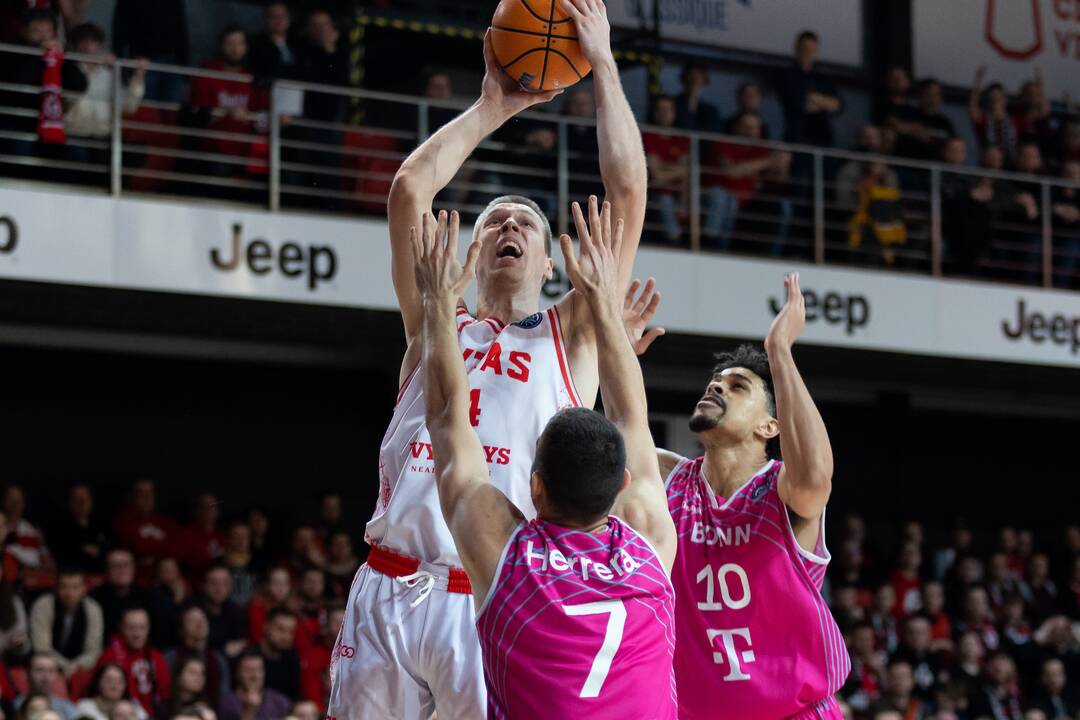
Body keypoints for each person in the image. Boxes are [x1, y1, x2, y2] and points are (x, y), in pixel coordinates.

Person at [330, 0, 648, 715]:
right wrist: (492, 105)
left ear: (547, 261)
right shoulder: (434, 322)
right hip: (388, 586)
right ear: (472, 254)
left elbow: (628, 194)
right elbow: (410, 189)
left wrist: (603, 67)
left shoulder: (573, 335)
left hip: (494, 593)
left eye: (526, 222)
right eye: (494, 218)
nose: (509, 223)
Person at [411, 199, 676, 717]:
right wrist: (604, 311)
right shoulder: (650, 546)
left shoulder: (509, 562)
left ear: (532, 488)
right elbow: (632, 421)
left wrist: (438, 306)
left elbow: (445, 420)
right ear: (623, 483)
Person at [630, 272, 851, 717]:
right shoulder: (669, 478)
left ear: (769, 427)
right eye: (716, 381)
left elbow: (815, 478)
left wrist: (780, 352)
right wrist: (613, 353)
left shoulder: (783, 490)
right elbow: (592, 442)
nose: (715, 386)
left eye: (737, 387)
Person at [64, 23, 146, 141]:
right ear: (75, 45)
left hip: (104, 136)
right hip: (74, 132)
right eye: (83, 41)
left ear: (99, 45)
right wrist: (92, 68)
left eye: (92, 41)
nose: (88, 46)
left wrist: (138, 77)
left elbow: (129, 106)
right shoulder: (69, 69)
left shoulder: (110, 72)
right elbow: (68, 100)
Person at [29, 568, 104, 676]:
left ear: (84, 588)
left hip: (80, 669)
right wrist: (65, 666)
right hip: (48, 666)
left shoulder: (93, 609)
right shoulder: (43, 605)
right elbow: (42, 646)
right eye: (64, 587)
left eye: (75, 587)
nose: (69, 593)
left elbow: (94, 650)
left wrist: (76, 666)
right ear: (56, 588)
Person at [96, 607, 170, 716]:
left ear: (149, 628)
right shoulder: (109, 657)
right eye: (131, 628)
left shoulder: (156, 657)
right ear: (121, 628)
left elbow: (164, 695)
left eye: (142, 628)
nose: (137, 634)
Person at [779, 31, 842, 150]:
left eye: (812, 49)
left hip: (823, 140)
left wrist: (815, 99)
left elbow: (838, 105)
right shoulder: (788, 75)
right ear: (797, 49)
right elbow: (800, 104)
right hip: (797, 139)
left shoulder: (823, 77)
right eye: (805, 49)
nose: (808, 53)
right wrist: (824, 102)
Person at [164, 605, 230, 712]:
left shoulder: (218, 660)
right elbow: (164, 694)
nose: (199, 624)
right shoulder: (171, 658)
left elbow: (224, 698)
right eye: (192, 620)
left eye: (203, 619)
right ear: (182, 628)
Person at [642, 95, 689, 244]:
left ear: (674, 113)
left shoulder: (682, 140)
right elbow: (657, 176)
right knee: (665, 200)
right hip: (653, 194)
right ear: (654, 113)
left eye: (667, 110)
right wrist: (679, 170)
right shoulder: (648, 136)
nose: (664, 113)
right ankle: (676, 241)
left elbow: (687, 175)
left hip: (678, 194)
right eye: (660, 110)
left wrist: (666, 168)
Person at [112, 479, 176, 586]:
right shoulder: (124, 521)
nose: (147, 497)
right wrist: (158, 552)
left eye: (150, 493)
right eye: (142, 493)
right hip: (136, 579)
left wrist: (153, 556)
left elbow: (175, 550)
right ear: (133, 496)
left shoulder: (165, 522)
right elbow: (137, 547)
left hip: (163, 576)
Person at [90, 549, 152, 639]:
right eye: (115, 565)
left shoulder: (148, 597)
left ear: (134, 568)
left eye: (126, 564)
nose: (122, 570)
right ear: (106, 570)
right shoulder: (94, 599)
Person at [49, 485, 106, 574]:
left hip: (101, 574)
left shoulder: (101, 524)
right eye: (78, 500)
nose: (82, 503)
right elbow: (64, 556)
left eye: (86, 499)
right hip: (72, 576)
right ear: (69, 502)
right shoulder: (59, 528)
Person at [219, 651, 290, 720]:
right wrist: (249, 711)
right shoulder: (227, 703)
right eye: (248, 670)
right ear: (237, 673)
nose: (254, 676)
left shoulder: (279, 701)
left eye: (259, 670)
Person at [195, 565, 246, 659]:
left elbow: (240, 644)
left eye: (225, 583)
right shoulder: (193, 610)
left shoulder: (235, 611)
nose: (219, 589)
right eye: (214, 583)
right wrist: (222, 650)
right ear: (204, 585)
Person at [73, 663, 148, 720]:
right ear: (98, 682)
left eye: (119, 681)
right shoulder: (85, 706)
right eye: (109, 680)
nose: (114, 685)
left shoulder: (134, 706)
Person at [15, 654, 79, 720]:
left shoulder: (67, 707)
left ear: (57, 675)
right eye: (39, 670)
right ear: (28, 673)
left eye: (51, 671)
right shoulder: (17, 705)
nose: (46, 677)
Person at [257, 609, 300, 701]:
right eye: (281, 629)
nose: (286, 637)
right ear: (266, 627)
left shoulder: (292, 659)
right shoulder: (251, 657)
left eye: (291, 632)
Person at [247, 1, 297, 80]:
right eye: (274, 16)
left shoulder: (299, 44)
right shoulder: (256, 44)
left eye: (283, 16)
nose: (279, 20)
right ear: (266, 19)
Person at [674, 61, 722, 132]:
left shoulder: (711, 111)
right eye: (691, 76)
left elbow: (712, 134)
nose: (694, 79)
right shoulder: (672, 105)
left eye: (698, 76)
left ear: (704, 81)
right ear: (684, 79)